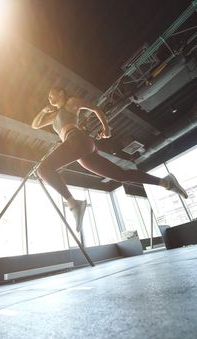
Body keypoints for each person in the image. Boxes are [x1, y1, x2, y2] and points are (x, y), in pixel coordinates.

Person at [32, 87, 188, 231]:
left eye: (51, 93)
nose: (49, 97)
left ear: (61, 93)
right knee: (121, 175)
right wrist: (43, 110)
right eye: (48, 96)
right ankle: (166, 182)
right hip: (81, 149)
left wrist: (105, 128)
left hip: (76, 139)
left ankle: (74, 204)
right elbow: (35, 125)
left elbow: (95, 108)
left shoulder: (71, 102)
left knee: (43, 169)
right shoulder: (53, 116)